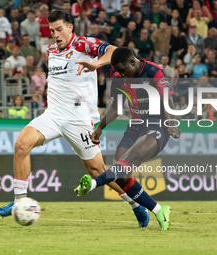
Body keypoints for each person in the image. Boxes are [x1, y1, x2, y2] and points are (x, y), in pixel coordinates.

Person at [0, 11, 150, 228]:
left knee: (98, 171)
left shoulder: (84, 44)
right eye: (52, 31)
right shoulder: (51, 50)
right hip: (53, 115)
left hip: (80, 120)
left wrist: (97, 64)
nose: (56, 35)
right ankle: (18, 202)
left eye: (59, 29)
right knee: (20, 145)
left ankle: (136, 205)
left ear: (69, 28)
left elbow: (114, 51)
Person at [74, 47, 181, 231]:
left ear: (133, 62)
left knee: (128, 160)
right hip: (135, 126)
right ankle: (158, 209)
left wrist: (171, 123)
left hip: (157, 127)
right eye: (118, 72)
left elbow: (167, 101)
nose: (121, 75)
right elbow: (116, 107)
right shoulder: (119, 77)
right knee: (121, 175)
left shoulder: (155, 72)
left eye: (123, 71)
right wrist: (99, 128)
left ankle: (93, 183)